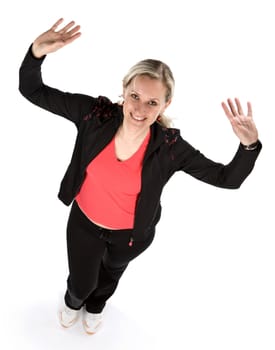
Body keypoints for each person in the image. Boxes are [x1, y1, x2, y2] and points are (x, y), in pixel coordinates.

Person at [19, 18, 261, 335]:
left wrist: (249, 146)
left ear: (165, 105)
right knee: (81, 283)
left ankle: (97, 305)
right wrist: (36, 53)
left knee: (111, 275)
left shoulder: (170, 147)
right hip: (85, 224)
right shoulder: (93, 115)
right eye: (135, 96)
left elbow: (228, 178)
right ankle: (75, 300)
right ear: (124, 90)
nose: (140, 109)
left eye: (152, 102)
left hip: (131, 235)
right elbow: (32, 90)